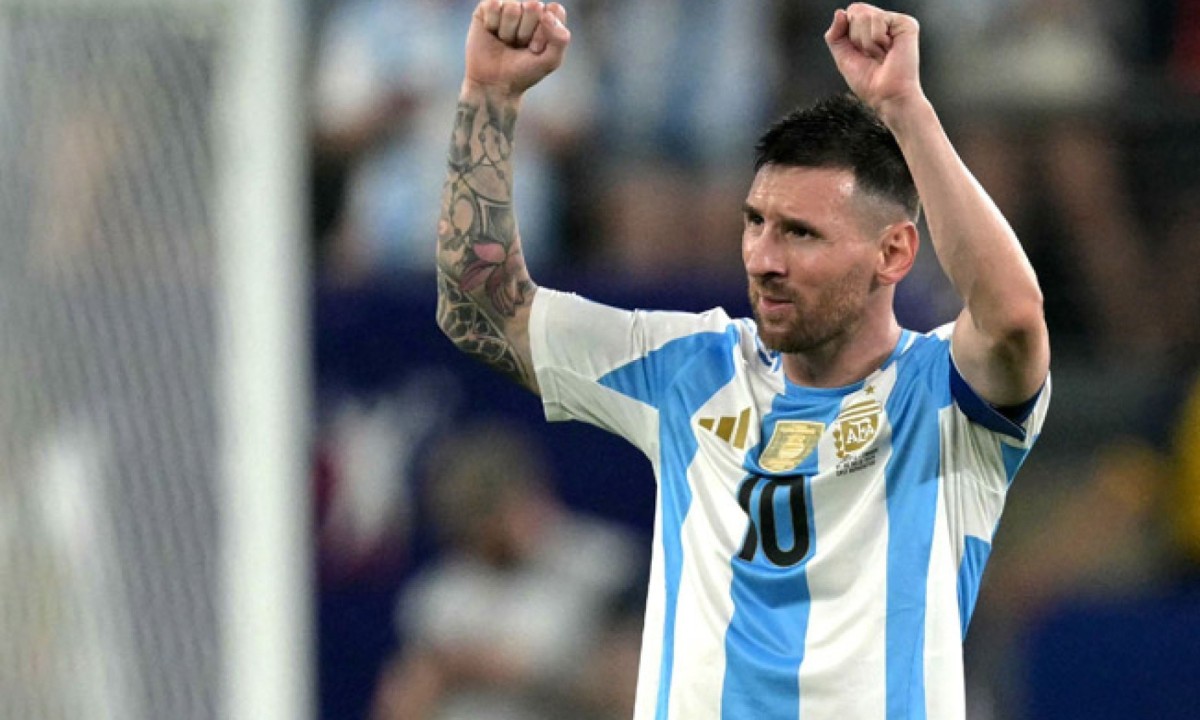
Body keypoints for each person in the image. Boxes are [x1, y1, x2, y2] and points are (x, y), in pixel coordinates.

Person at [435, 2, 1052, 717]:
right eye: (755, 222)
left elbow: (1011, 318)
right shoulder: (687, 368)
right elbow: (481, 307)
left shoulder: (944, 397)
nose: (763, 259)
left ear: (894, 253)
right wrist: (490, 94)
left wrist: (905, 110)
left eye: (800, 233)